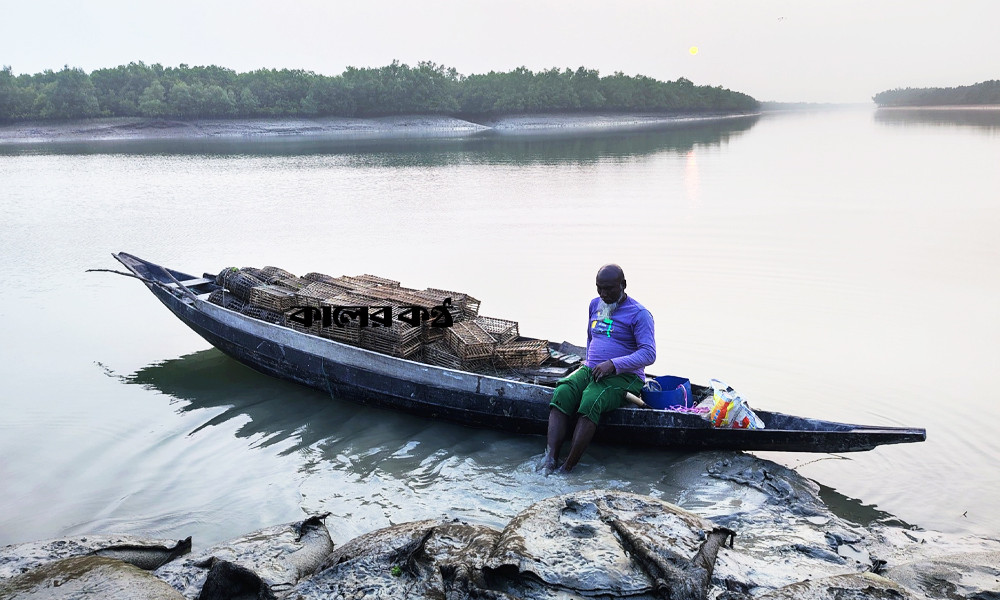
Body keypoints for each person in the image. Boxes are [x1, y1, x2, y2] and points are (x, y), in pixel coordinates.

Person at [540, 264, 656, 474]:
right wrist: (589, 363)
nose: (604, 294)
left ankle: (568, 467)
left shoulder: (640, 314)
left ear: (623, 285)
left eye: (610, 289)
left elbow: (649, 354)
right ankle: (550, 458)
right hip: (592, 369)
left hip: (625, 376)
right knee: (563, 392)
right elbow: (590, 338)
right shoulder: (595, 304)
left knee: (591, 399)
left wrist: (613, 364)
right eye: (599, 288)